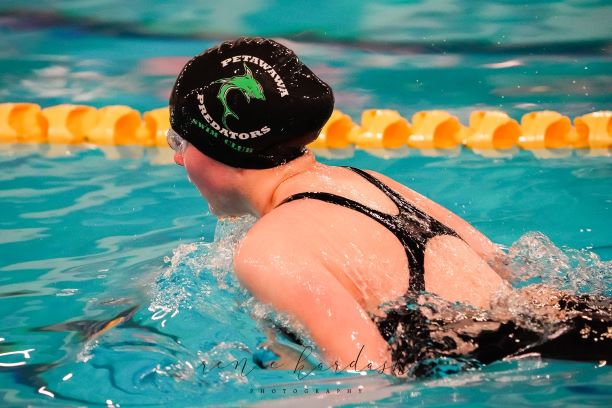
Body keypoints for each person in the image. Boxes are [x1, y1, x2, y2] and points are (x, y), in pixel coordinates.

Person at [167, 37, 611, 375]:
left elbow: (367, 377)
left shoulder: (267, 252)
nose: (176, 158)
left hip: (527, 359)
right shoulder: (367, 181)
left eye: (179, 141)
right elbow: (502, 267)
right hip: (570, 317)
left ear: (214, 146)